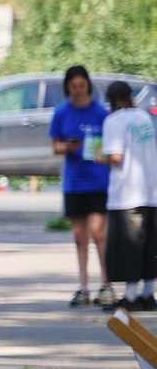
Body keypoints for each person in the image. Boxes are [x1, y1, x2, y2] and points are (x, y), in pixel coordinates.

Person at [51, 64, 112, 308]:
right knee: (79, 237)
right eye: (73, 86)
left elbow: (111, 146)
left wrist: (104, 155)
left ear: (88, 85)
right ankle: (83, 286)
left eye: (82, 85)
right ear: (68, 88)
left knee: (99, 233)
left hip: (98, 179)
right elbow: (54, 146)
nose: (78, 90)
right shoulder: (62, 113)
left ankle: (107, 284)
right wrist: (67, 147)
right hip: (75, 181)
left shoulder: (100, 113)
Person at [99, 81, 155, 314]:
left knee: (129, 247)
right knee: (149, 245)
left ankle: (130, 297)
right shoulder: (143, 118)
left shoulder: (114, 120)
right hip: (151, 191)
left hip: (126, 192)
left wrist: (99, 157)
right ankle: (148, 293)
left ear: (111, 100)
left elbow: (115, 156)